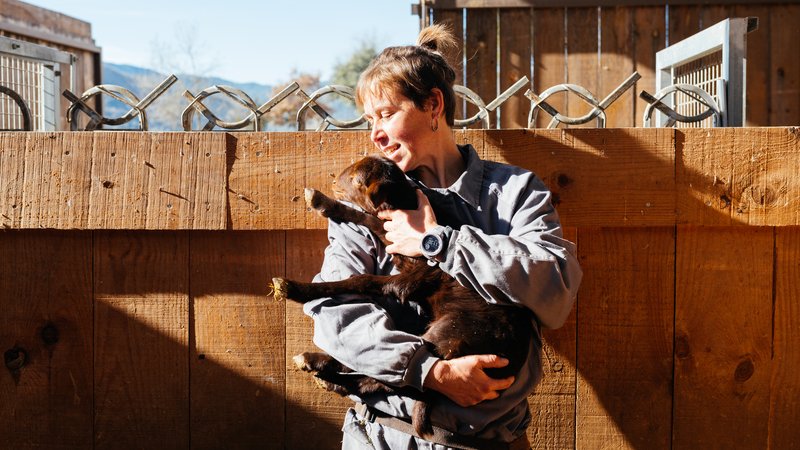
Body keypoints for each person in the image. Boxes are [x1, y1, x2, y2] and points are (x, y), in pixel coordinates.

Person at [302, 24, 582, 450]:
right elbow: (331, 314)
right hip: (383, 437)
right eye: (369, 120)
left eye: (387, 114)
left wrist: (440, 242)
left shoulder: (511, 194)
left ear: (433, 104)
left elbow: (556, 291)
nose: (375, 134)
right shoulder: (368, 199)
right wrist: (429, 371)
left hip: (489, 441)